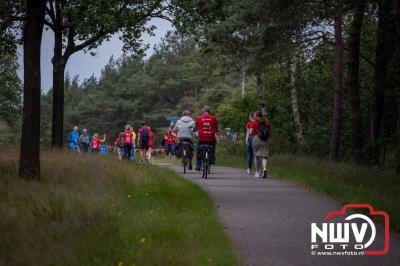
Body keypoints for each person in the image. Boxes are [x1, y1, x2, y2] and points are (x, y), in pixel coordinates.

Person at [194, 106, 218, 171]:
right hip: (211, 138)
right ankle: (212, 159)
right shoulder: (214, 118)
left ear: (203, 111)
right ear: (209, 111)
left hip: (201, 137)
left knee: (198, 149)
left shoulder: (198, 118)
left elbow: (195, 128)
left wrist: (195, 131)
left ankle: (198, 165)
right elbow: (216, 128)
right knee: (213, 148)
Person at [249, 111, 271, 178]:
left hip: (256, 139)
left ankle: (257, 172)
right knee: (264, 156)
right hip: (265, 140)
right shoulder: (266, 122)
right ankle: (264, 169)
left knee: (256, 156)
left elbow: (251, 132)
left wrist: (251, 134)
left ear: (256, 116)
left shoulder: (254, 122)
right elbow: (269, 131)